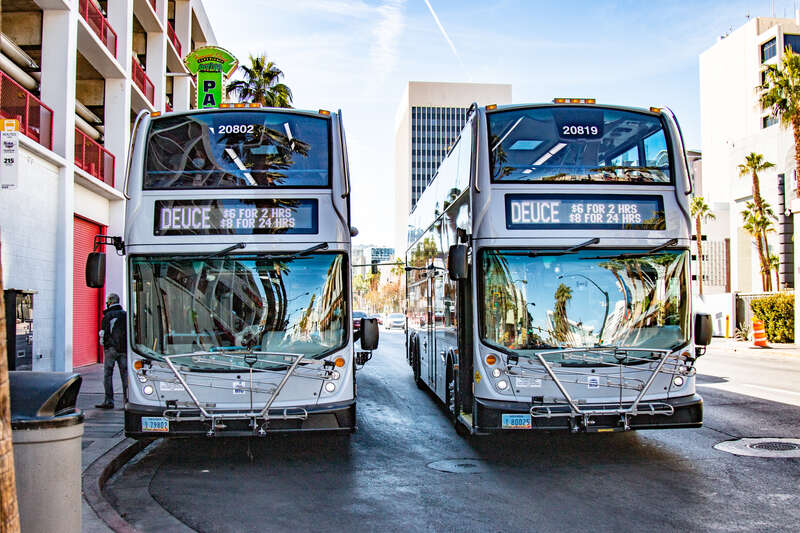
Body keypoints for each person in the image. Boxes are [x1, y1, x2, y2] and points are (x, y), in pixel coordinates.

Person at [95, 293, 128, 409]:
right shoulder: (125, 315)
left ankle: (109, 401)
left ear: (110, 302)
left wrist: (105, 346)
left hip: (111, 349)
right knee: (125, 375)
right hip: (124, 349)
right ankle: (127, 401)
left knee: (108, 374)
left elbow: (102, 333)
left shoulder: (107, 316)